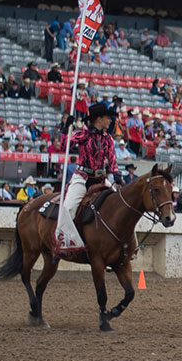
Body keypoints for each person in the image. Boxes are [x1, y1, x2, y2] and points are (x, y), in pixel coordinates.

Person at [53, 101, 119, 259]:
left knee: (120, 204)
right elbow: (64, 146)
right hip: (82, 177)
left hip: (100, 178)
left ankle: (120, 248)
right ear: (99, 119)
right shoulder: (83, 134)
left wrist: (116, 174)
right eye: (107, 118)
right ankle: (64, 244)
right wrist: (65, 130)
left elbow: (112, 159)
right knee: (68, 208)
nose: (110, 121)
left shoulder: (108, 138)